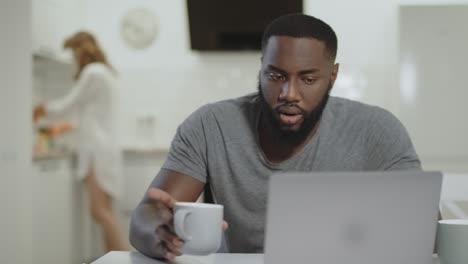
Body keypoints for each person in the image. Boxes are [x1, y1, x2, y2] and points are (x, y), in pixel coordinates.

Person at [129, 14, 421, 261]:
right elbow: (147, 216)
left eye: (308, 79)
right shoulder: (210, 125)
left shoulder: (377, 130)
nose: (289, 94)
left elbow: (423, 231)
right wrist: (159, 231)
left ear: (332, 77)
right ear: (261, 68)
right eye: (276, 76)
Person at [33, 31, 127, 251]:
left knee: (100, 213)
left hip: (97, 151)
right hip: (105, 148)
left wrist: (42, 108)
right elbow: (91, 114)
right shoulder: (106, 73)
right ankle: (113, 259)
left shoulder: (93, 72)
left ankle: (124, 259)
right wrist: (66, 126)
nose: (73, 60)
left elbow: (70, 104)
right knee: (105, 213)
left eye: (74, 53)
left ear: (81, 50)